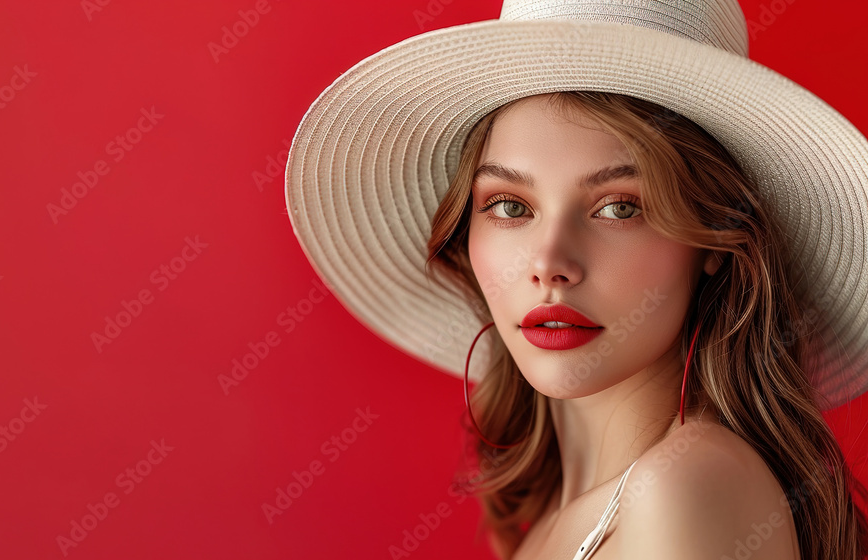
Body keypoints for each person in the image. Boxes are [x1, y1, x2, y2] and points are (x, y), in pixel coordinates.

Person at [284, 1, 868, 558]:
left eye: (619, 207)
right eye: (510, 206)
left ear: (711, 240)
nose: (549, 262)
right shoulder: (549, 518)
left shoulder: (684, 489)